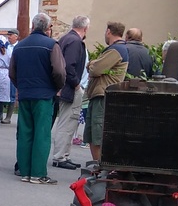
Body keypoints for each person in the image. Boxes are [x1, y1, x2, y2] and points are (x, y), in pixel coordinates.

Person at [12, 13, 66, 184]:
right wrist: (58, 87)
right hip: (44, 95)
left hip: (26, 93)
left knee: (25, 133)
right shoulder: (51, 45)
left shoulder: (19, 46)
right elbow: (58, 71)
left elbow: (12, 72)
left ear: (33, 26)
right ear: (47, 28)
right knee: (41, 134)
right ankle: (38, 173)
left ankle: (24, 171)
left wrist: (21, 86)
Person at [83, 22, 128, 166]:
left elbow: (95, 69)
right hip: (98, 94)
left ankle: (101, 167)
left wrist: (92, 64)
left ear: (109, 31)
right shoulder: (114, 50)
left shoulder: (116, 50)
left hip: (103, 95)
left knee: (97, 134)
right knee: (91, 134)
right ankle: (98, 166)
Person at [49, 15, 89, 169]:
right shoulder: (75, 42)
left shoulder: (65, 38)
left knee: (67, 122)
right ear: (85, 28)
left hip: (63, 87)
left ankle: (64, 155)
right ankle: (60, 156)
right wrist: (77, 84)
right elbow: (69, 66)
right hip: (70, 88)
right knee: (67, 123)